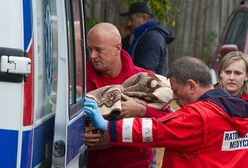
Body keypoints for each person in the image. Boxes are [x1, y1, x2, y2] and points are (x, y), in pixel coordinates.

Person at [84, 56, 248, 168]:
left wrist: (107, 125)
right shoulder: (240, 111)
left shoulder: (199, 116)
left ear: (191, 86)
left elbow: (154, 130)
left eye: (176, 90)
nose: (174, 97)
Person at [85, 22, 171, 168]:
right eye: (90, 49)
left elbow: (169, 122)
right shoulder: (79, 81)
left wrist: (141, 110)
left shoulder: (145, 79)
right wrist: (79, 136)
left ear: (117, 48)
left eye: (98, 50)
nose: (93, 56)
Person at [120, 2, 174, 76]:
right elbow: (126, 60)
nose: (129, 24)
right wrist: (125, 38)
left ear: (144, 17)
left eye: (132, 19)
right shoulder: (143, 35)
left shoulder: (152, 37)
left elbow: (147, 73)